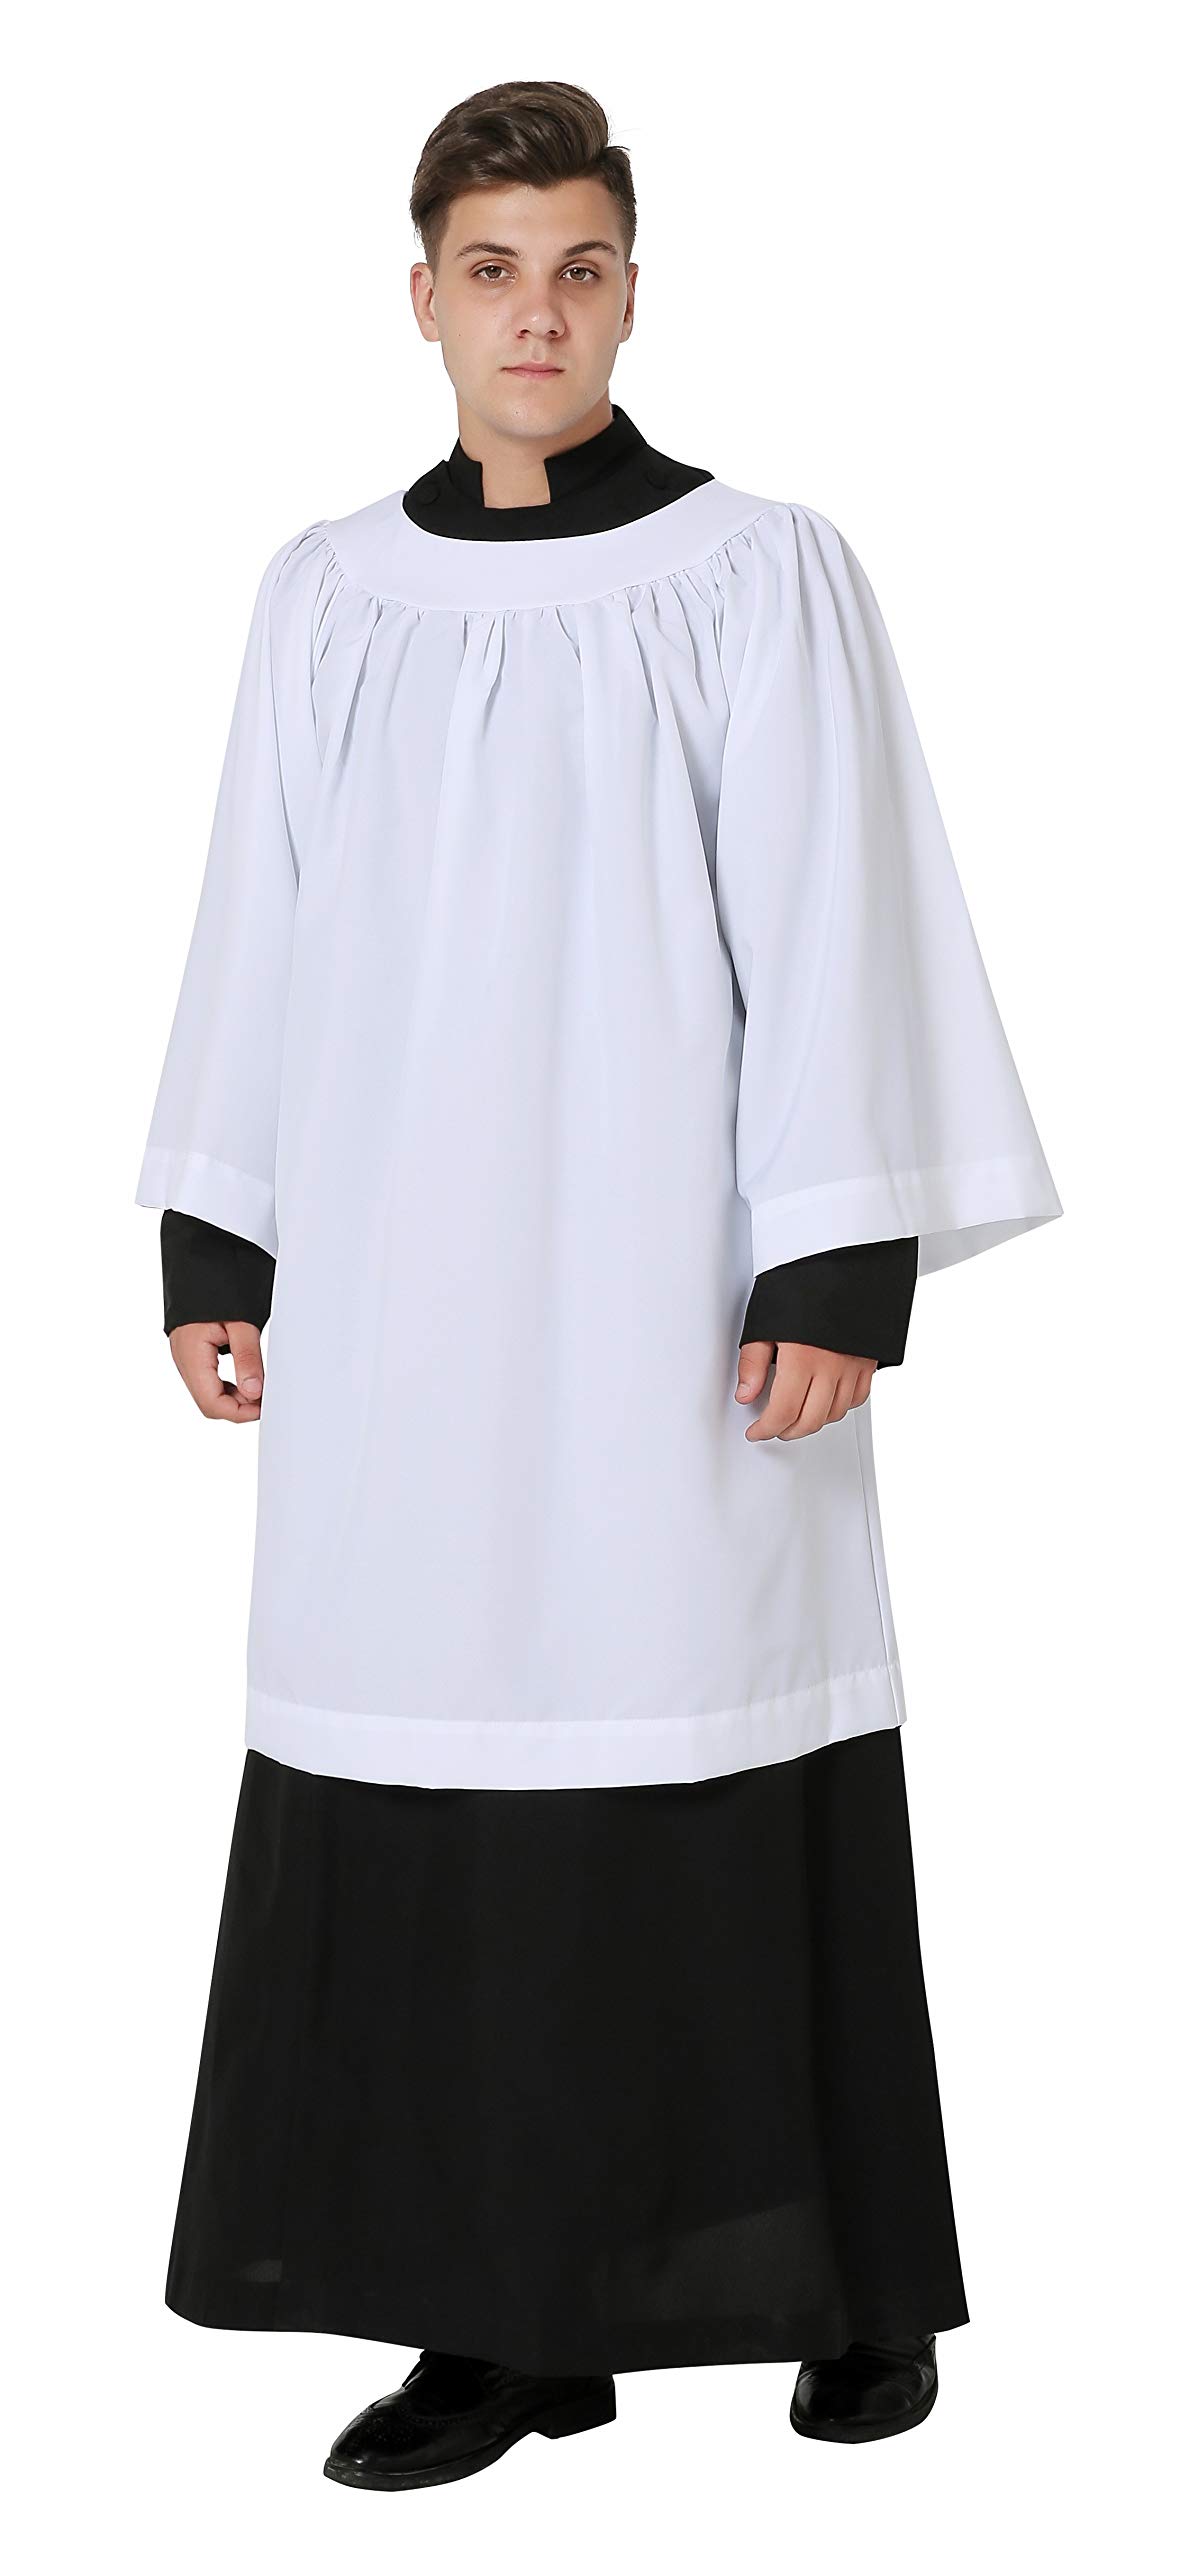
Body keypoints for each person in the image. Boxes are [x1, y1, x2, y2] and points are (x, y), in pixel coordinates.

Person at [134, 79, 1061, 2491]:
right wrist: (220, 1225)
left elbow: (835, 906)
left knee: (727, 1746)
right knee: (433, 1786)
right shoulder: (329, 592)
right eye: (490, 271)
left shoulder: (754, 572)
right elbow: (259, 913)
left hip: (676, 1290)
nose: (532, 315)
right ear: (421, 296)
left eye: (576, 269)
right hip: (404, 1313)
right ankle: (498, 2326)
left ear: (631, 290)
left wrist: (834, 1256)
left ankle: (846, 2282)